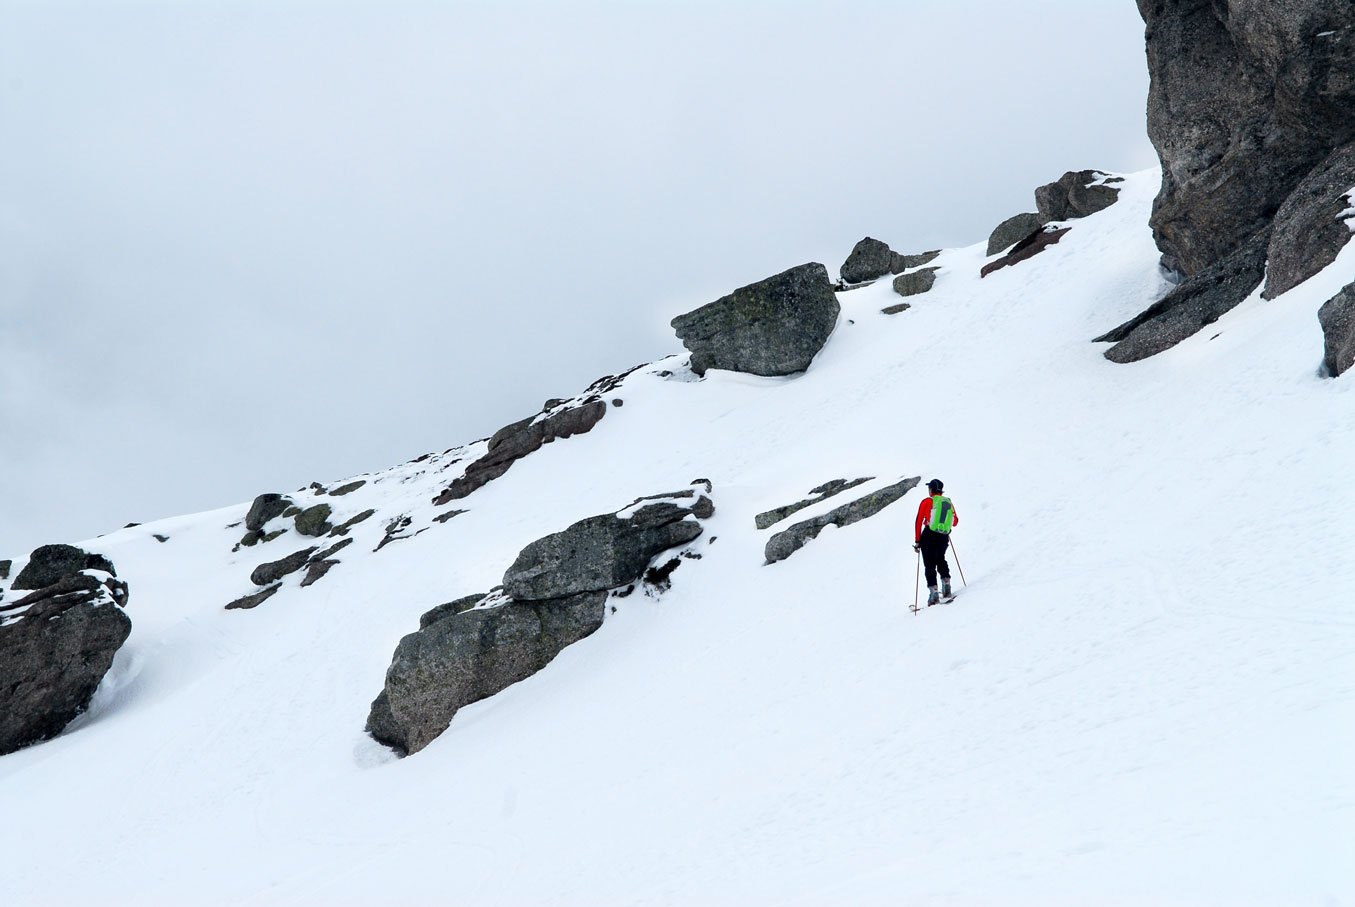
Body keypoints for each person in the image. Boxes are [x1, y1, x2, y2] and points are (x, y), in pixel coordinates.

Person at [914, 478, 958, 605]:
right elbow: (955, 522)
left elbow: (918, 521)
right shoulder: (948, 502)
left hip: (928, 535)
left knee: (929, 564)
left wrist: (917, 541)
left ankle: (933, 594)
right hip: (943, 536)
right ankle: (946, 586)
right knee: (940, 559)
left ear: (931, 489)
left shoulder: (927, 501)